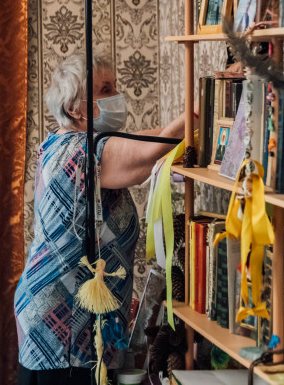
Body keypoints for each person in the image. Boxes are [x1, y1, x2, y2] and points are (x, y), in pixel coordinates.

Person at [15, 53, 193, 385]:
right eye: (105, 89)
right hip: (63, 326)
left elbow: (147, 142)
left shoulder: (69, 143)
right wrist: (204, 105)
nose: (116, 96)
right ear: (75, 108)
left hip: (72, 317)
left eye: (115, 86)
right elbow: (152, 149)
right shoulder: (80, 154)